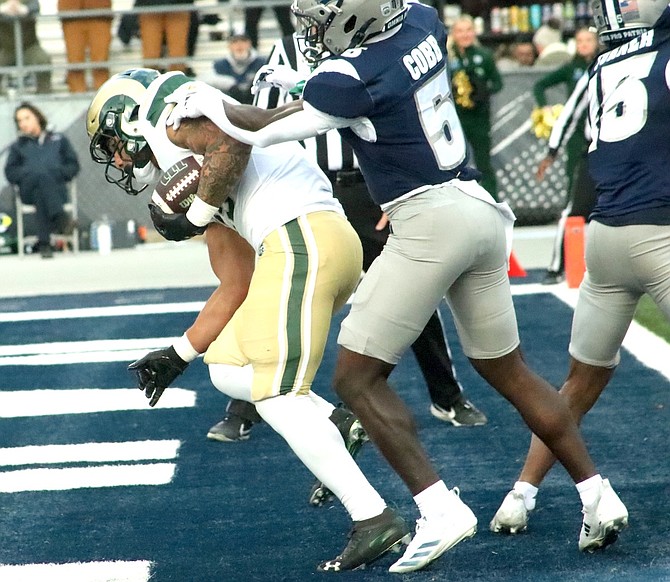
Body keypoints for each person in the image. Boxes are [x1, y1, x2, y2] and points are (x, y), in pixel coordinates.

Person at [163, 0, 628, 572]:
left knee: (355, 379)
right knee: (510, 371)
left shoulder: (349, 75)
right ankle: (598, 495)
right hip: (479, 210)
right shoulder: (421, 20)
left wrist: (209, 103)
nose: (310, 28)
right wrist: (302, 80)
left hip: (428, 220)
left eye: (319, 17)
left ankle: (437, 510)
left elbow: (260, 129)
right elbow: (372, 83)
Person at [86, 68, 411, 572]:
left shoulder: (166, 112)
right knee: (227, 365)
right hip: (306, 244)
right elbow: (235, 283)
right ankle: (334, 421)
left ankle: (374, 518)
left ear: (128, 118)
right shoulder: (190, 167)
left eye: (113, 142)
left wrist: (194, 213)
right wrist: (179, 355)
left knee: (276, 395)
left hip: (302, 236)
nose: (119, 159)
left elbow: (231, 143)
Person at [208, 31, 488, 447]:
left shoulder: (379, 44)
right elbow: (259, 127)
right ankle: (245, 406)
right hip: (307, 191)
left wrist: (395, 191)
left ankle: (445, 394)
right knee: (271, 290)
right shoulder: (288, 48)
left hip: (368, 187)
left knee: (412, 289)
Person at [492, 0, 668, 539]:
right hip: (660, 233)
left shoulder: (600, 67)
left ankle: (519, 496)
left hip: (603, 237)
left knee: (579, 383)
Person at [533, 27, 600, 285]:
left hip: (629, 151)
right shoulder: (597, 68)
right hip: (592, 148)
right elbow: (570, 112)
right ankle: (557, 265)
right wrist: (552, 150)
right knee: (575, 209)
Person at [5, 102, 79, 258]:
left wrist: (58, 172)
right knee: (39, 176)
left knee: (42, 187)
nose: (23, 123)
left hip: (55, 189)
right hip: (28, 190)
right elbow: (10, 172)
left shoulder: (59, 140)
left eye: (26, 118)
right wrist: (28, 173)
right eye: (19, 120)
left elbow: (73, 165)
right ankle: (61, 220)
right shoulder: (18, 146)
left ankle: (44, 243)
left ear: (37, 117)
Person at [447, 14, 503, 200]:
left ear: (474, 32)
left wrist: (484, 90)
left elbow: (498, 83)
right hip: (455, 120)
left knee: (484, 164)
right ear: (453, 33)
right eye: (460, 31)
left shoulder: (484, 55)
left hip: (479, 119)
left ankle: (493, 203)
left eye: (468, 30)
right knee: (454, 165)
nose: (465, 35)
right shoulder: (445, 57)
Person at [58, 0, 112, 93]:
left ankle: (103, 99)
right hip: (71, 13)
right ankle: (76, 98)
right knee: (75, 63)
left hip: (100, 12)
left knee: (100, 62)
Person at [0, 0, 51, 94]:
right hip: (4, 48)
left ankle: (44, 96)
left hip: (29, 47)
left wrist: (24, 9)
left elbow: (36, 6)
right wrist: (3, 9)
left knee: (43, 59)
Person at [199, 33, 266, 105]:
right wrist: (229, 84)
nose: (239, 45)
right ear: (229, 46)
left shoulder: (262, 62)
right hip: (228, 106)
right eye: (235, 42)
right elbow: (202, 80)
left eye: (243, 41)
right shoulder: (220, 64)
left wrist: (256, 82)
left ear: (249, 43)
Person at [135, 0, 192, 73]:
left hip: (176, 6)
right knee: (152, 54)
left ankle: (176, 78)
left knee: (176, 54)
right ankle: (176, 77)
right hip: (151, 6)